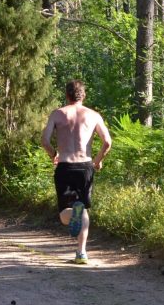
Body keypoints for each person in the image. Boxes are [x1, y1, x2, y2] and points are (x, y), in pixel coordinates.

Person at [41, 80, 112, 264]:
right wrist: (97, 161)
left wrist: (54, 155)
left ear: (67, 95)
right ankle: (81, 253)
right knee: (83, 209)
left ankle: (74, 215)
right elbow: (107, 142)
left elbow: (45, 141)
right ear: (84, 95)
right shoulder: (94, 115)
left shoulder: (58, 114)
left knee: (65, 213)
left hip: (65, 166)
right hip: (85, 167)